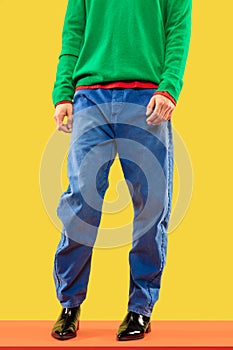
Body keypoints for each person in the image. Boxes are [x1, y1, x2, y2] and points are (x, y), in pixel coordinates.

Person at [51, 0, 192, 342]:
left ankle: (140, 308)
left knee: (150, 206)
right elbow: (74, 31)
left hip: (147, 99)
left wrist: (170, 86)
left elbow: (178, 30)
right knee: (80, 203)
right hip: (90, 97)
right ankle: (69, 304)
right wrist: (63, 92)